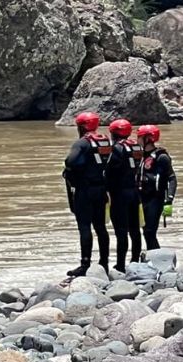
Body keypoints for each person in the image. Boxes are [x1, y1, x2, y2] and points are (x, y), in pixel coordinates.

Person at [63, 111, 112, 276]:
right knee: (101, 227)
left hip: (85, 191)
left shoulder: (82, 143)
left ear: (82, 127)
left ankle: (85, 264)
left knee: (85, 227)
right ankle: (104, 263)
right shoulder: (105, 141)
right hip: (101, 190)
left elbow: (70, 161)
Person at [106, 118, 143, 272]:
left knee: (121, 231)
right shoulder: (136, 146)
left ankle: (120, 264)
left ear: (114, 133)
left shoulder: (116, 148)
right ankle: (135, 260)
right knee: (135, 229)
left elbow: (109, 171)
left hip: (119, 194)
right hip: (134, 192)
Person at [137, 125, 177, 251]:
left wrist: (169, 200)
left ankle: (157, 257)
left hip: (155, 199)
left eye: (139, 137)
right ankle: (152, 256)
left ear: (148, 139)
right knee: (145, 231)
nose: (137, 139)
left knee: (150, 231)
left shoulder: (161, 157)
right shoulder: (139, 155)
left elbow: (172, 178)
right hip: (142, 198)